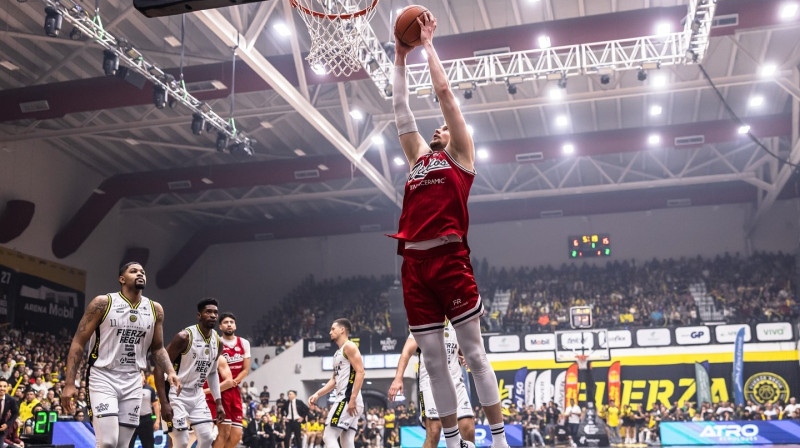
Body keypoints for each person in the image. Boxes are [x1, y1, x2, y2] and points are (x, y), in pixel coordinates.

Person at [389, 11, 508, 448]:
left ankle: (498, 439)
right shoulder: (418, 157)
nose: (436, 127)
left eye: (441, 126)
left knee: (473, 354)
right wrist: (400, 57)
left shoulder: (460, 155)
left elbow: (444, 94)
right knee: (435, 365)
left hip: (449, 257)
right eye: (435, 128)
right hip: (413, 264)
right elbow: (401, 110)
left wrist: (427, 45)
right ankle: (454, 440)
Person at [62, 262, 180, 448]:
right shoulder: (103, 303)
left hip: (133, 380)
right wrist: (69, 383)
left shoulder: (155, 309)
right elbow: (78, 341)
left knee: (123, 445)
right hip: (103, 376)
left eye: (142, 272)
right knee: (108, 442)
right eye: (133, 271)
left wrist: (170, 371)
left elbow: (157, 348)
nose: (140, 274)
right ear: (121, 279)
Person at [388, 321, 474, 448]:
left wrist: (464, 355)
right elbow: (406, 352)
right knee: (434, 431)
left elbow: (460, 348)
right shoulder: (424, 323)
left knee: (469, 428)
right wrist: (398, 378)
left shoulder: (456, 322)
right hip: (429, 383)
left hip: (456, 382)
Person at [156, 298, 225, 448]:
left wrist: (219, 402)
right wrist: (164, 402)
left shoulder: (218, 342)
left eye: (215, 312)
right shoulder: (184, 337)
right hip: (175, 393)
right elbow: (159, 367)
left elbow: (212, 373)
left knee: (207, 438)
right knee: (181, 442)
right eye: (208, 312)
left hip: (197, 395)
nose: (213, 315)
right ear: (199, 316)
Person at [309, 319, 365, 448]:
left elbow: (360, 372)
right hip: (350, 400)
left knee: (328, 436)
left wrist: (352, 398)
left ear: (342, 330)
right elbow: (334, 380)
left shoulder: (349, 346)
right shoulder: (337, 353)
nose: (330, 332)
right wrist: (317, 394)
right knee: (346, 440)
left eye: (333, 329)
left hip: (348, 399)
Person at [216, 312, 252, 448]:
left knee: (236, 435)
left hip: (235, 390)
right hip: (221, 391)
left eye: (231, 322)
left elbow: (245, 370)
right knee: (223, 433)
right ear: (220, 326)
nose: (229, 324)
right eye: (225, 322)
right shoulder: (217, 343)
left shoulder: (244, 343)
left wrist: (233, 382)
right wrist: (226, 384)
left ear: (235, 326)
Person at [204, 355, 237, 446]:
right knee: (202, 436)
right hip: (199, 400)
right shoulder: (191, 353)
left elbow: (229, 382)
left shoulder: (219, 358)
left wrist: (204, 392)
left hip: (217, 399)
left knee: (225, 433)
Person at [129, 370, 160, 448]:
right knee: (128, 445)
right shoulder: (129, 389)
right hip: (131, 419)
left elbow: (156, 405)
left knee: (149, 445)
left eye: (141, 375)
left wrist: (157, 421)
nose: (140, 376)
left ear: (144, 377)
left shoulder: (150, 389)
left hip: (146, 420)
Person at [0, 378, 19, 444]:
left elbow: (15, 413)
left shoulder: (11, 400)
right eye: (0, 386)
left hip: (1, 430)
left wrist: (7, 424)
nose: (2, 388)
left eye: (4, 386)